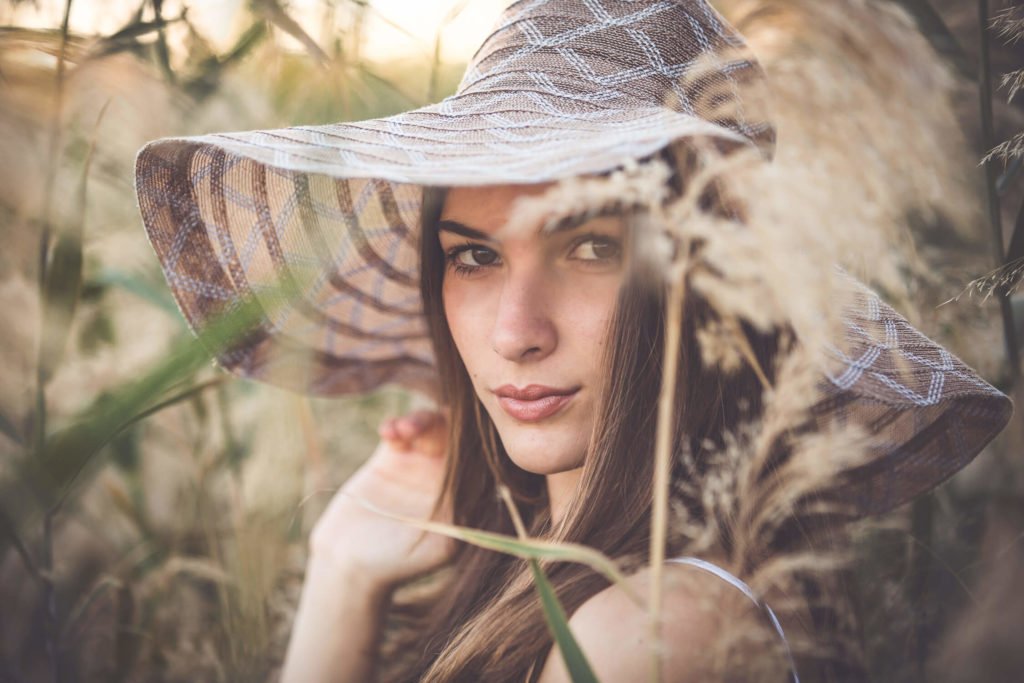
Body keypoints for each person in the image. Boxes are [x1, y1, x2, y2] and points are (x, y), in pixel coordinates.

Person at [132, 1, 1013, 681]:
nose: (515, 333)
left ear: (711, 282)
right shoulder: (586, 584)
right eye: (473, 256)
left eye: (592, 248)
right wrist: (343, 569)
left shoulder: (644, 630)